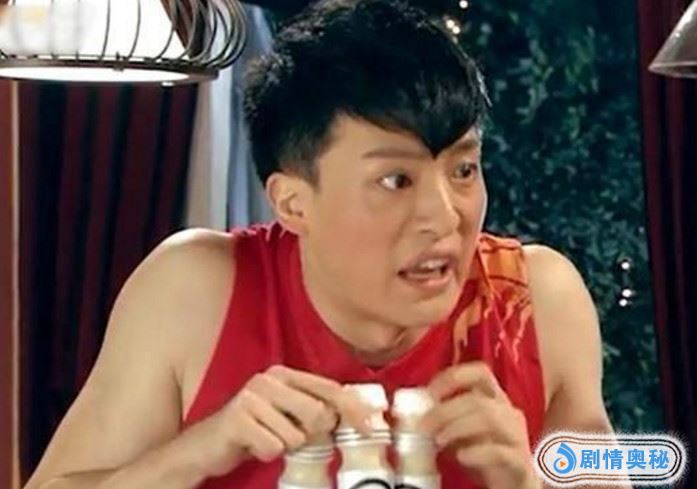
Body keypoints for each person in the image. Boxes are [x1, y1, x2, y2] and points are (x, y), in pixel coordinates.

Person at [23, 1, 622, 488]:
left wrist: (528, 482)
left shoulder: (536, 302)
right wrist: (200, 450)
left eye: (464, 170)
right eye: (396, 180)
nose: (445, 216)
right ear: (292, 203)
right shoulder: (194, 289)